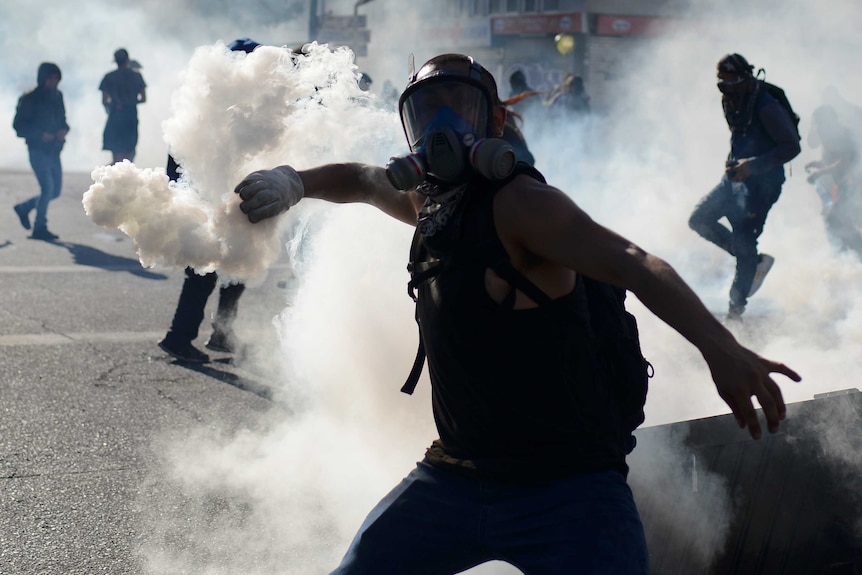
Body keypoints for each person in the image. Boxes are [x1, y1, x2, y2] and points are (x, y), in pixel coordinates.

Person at [233, 53, 800, 574]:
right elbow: (359, 179)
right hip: (453, 478)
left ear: (495, 125)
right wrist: (294, 182)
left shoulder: (523, 206)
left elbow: (633, 262)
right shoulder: (430, 205)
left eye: (460, 109)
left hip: (569, 492)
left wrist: (722, 349)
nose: (441, 128)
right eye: (427, 111)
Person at [157, 38, 261, 364]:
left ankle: (222, 334)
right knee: (203, 273)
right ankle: (178, 338)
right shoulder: (210, 104)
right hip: (208, 201)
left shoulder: (239, 103)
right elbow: (180, 154)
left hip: (230, 202)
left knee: (236, 272)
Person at [688, 54, 801, 321]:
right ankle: (753, 260)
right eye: (722, 83)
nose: (726, 89)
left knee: (744, 240)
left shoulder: (766, 105)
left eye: (731, 82)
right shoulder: (731, 99)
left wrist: (753, 166)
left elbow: (791, 147)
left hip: (763, 185)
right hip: (735, 179)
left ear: (747, 79)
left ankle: (735, 313)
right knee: (699, 219)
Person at [12, 62, 70, 241]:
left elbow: (62, 119)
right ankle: (40, 227)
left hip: (54, 150)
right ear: (42, 79)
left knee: (55, 191)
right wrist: (40, 135)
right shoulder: (30, 98)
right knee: (47, 189)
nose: (53, 82)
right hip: (37, 149)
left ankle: (24, 208)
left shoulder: (57, 96)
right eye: (50, 78)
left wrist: (64, 130)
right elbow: (18, 126)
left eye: (56, 79)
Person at [805, 105, 862, 256]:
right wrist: (817, 164)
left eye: (820, 122)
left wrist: (819, 173)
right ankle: (847, 255)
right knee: (839, 220)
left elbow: (844, 162)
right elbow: (833, 160)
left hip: (853, 184)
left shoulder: (842, 134)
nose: (818, 127)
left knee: (835, 219)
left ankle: (854, 254)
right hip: (844, 185)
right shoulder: (832, 136)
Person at [99, 48, 147, 163]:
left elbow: (105, 101)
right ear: (127, 60)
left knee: (116, 153)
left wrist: (116, 105)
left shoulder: (108, 77)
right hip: (130, 116)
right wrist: (130, 103)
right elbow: (143, 99)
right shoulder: (136, 76)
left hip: (115, 116)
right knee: (129, 153)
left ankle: (115, 176)